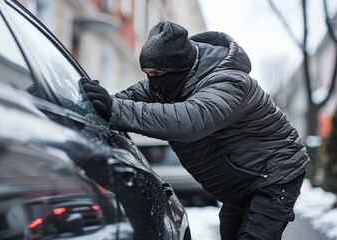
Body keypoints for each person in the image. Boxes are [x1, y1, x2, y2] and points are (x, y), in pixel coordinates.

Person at [80, 21, 310, 240]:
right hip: (241, 183)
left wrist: (115, 109)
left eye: (157, 74)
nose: (152, 81)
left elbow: (191, 119)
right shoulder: (167, 81)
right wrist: (92, 104)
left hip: (274, 178)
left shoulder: (230, 82)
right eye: (147, 73)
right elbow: (126, 99)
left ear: (180, 68)